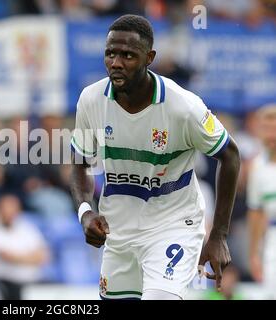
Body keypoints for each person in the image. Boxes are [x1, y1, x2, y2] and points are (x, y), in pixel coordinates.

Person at [70, 15, 240, 300]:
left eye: (128, 55)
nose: (116, 63)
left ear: (149, 57)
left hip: (173, 225)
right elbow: (80, 163)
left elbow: (231, 155)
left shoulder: (183, 107)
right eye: (110, 53)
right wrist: (86, 212)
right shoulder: (90, 100)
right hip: (118, 230)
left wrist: (219, 234)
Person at [247, 103, 276, 299]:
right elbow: (256, 213)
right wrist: (254, 254)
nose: (271, 134)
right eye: (266, 128)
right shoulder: (256, 167)